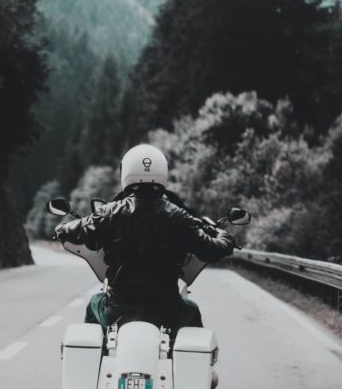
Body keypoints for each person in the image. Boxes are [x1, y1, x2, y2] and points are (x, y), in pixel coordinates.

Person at [54, 143, 235, 335]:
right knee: (192, 311)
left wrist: (61, 228)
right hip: (167, 308)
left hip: (117, 307)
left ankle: (94, 361)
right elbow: (213, 250)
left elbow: (72, 231)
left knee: (93, 304)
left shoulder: (109, 212)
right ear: (163, 172)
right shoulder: (179, 216)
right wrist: (223, 235)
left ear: (126, 173)